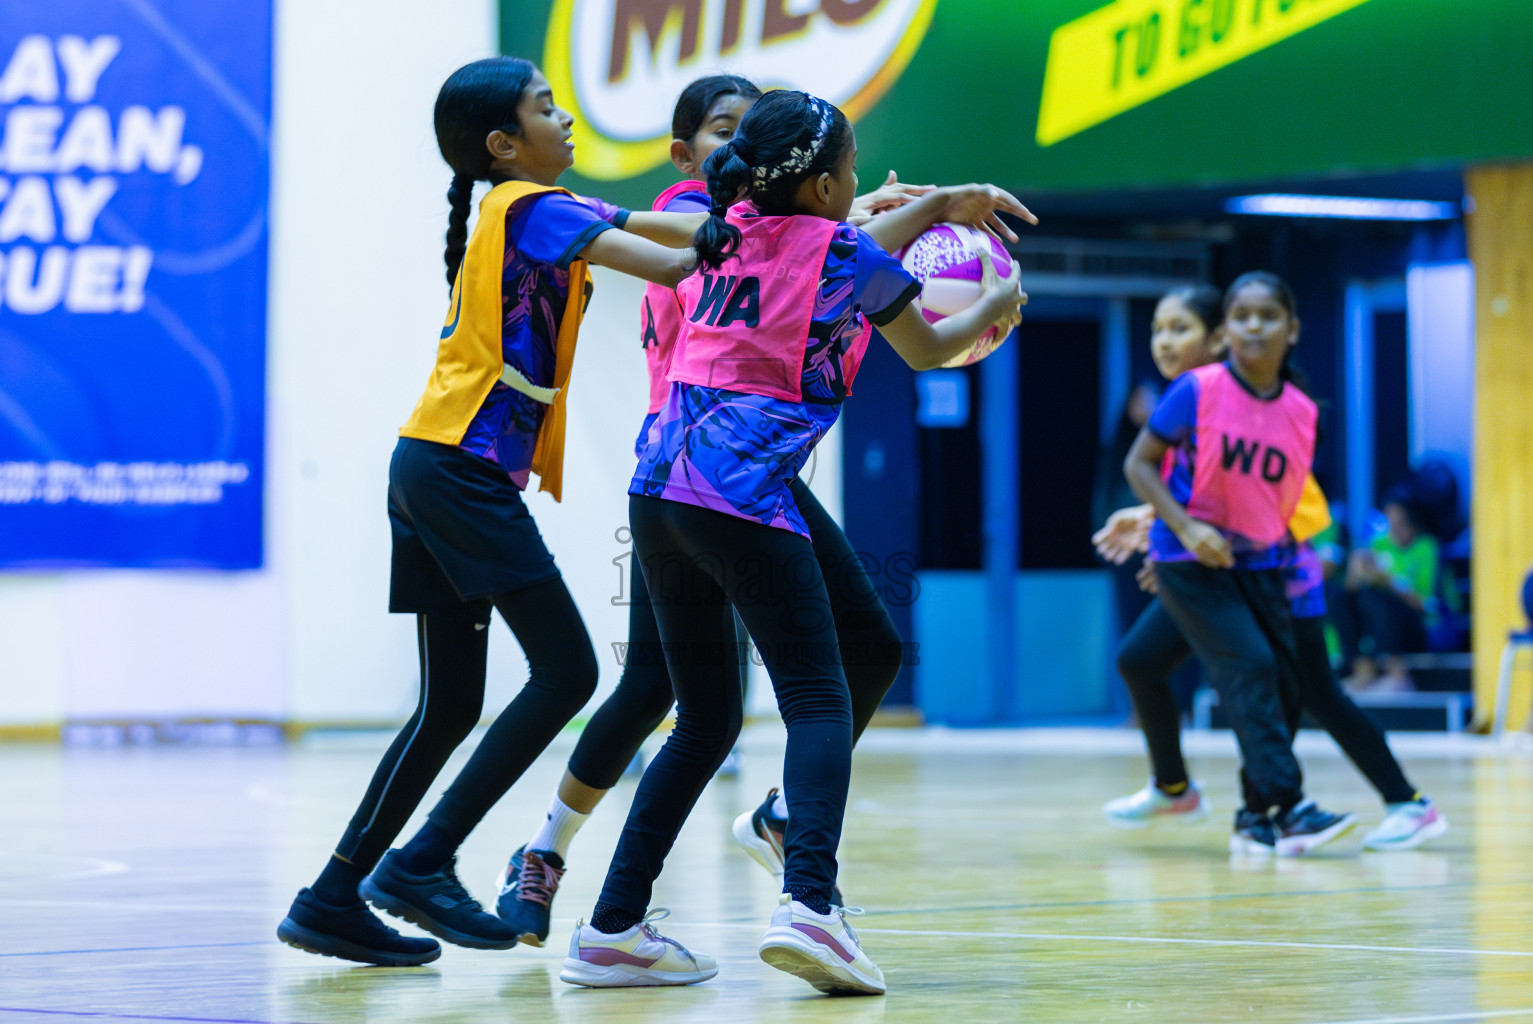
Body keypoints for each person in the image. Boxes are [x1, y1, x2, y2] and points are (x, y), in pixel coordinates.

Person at [557, 89, 1028, 994]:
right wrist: (995, 305)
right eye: (850, 171)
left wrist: (936, 203)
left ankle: (611, 928)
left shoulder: (723, 230)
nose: (856, 184)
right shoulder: (844, 255)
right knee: (816, 699)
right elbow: (929, 350)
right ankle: (809, 905)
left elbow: (837, 237)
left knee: (714, 715)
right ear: (822, 187)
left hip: (659, 488)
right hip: (738, 494)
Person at [275, 56, 711, 967]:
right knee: (567, 671)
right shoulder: (532, 206)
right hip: (456, 470)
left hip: (430, 462)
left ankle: (331, 898)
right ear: (504, 144)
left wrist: (806, 221)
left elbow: (666, 229)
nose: (567, 119)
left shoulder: (537, 205)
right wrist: (794, 231)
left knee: (448, 706)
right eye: (547, 108)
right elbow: (679, 260)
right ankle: (421, 861)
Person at [492, 74, 930, 947]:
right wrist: (890, 218)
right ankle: (548, 854)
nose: (749, 147)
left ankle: (733, 846)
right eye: (729, 129)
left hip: (727, 471)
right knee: (671, 692)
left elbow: (811, 244)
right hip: (702, 468)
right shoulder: (694, 215)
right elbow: (796, 250)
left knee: (842, 657)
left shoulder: (769, 223)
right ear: (685, 153)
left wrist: (862, 213)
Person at [1097, 285, 1446, 852]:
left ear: (1217, 339)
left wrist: (1176, 532)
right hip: (1215, 567)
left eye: (1180, 328)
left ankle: (1358, 804)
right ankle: (1183, 789)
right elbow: (1193, 490)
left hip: (1277, 573)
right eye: (1158, 329)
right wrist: (1164, 526)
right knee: (1143, 660)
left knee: (1295, 686)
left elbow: (1272, 508)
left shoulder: (1265, 407)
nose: (1164, 342)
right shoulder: (1193, 406)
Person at [1122, 272, 1354, 857]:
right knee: (1250, 665)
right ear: (1226, 331)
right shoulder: (1196, 390)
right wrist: (1179, 528)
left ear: (1292, 329)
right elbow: (1140, 464)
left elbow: (1274, 501)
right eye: (1242, 316)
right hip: (1190, 559)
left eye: (1267, 316)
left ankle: (1252, 816)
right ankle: (1288, 805)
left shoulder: (1300, 412)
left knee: (1280, 676)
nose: (1254, 326)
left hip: (1255, 562)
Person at [1333, 482, 1443, 692]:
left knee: (1376, 598)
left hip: (1415, 622)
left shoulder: (1426, 547)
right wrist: (1356, 568)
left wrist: (1388, 580)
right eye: (1390, 522)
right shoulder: (1379, 543)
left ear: (1412, 521)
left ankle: (1398, 673)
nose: (1394, 529)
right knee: (1343, 597)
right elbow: (1351, 587)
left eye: (1400, 523)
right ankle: (1362, 668)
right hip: (1379, 618)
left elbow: (1426, 604)